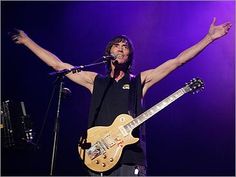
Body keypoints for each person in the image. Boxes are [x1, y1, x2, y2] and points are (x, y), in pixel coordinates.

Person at [12, 17, 231, 176]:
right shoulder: (94, 80)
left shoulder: (140, 81)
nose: (120, 48)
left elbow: (177, 61)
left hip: (130, 160)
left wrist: (209, 38)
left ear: (129, 55)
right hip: (98, 156)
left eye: (124, 46)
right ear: (109, 53)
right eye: (116, 46)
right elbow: (58, 64)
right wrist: (27, 41)